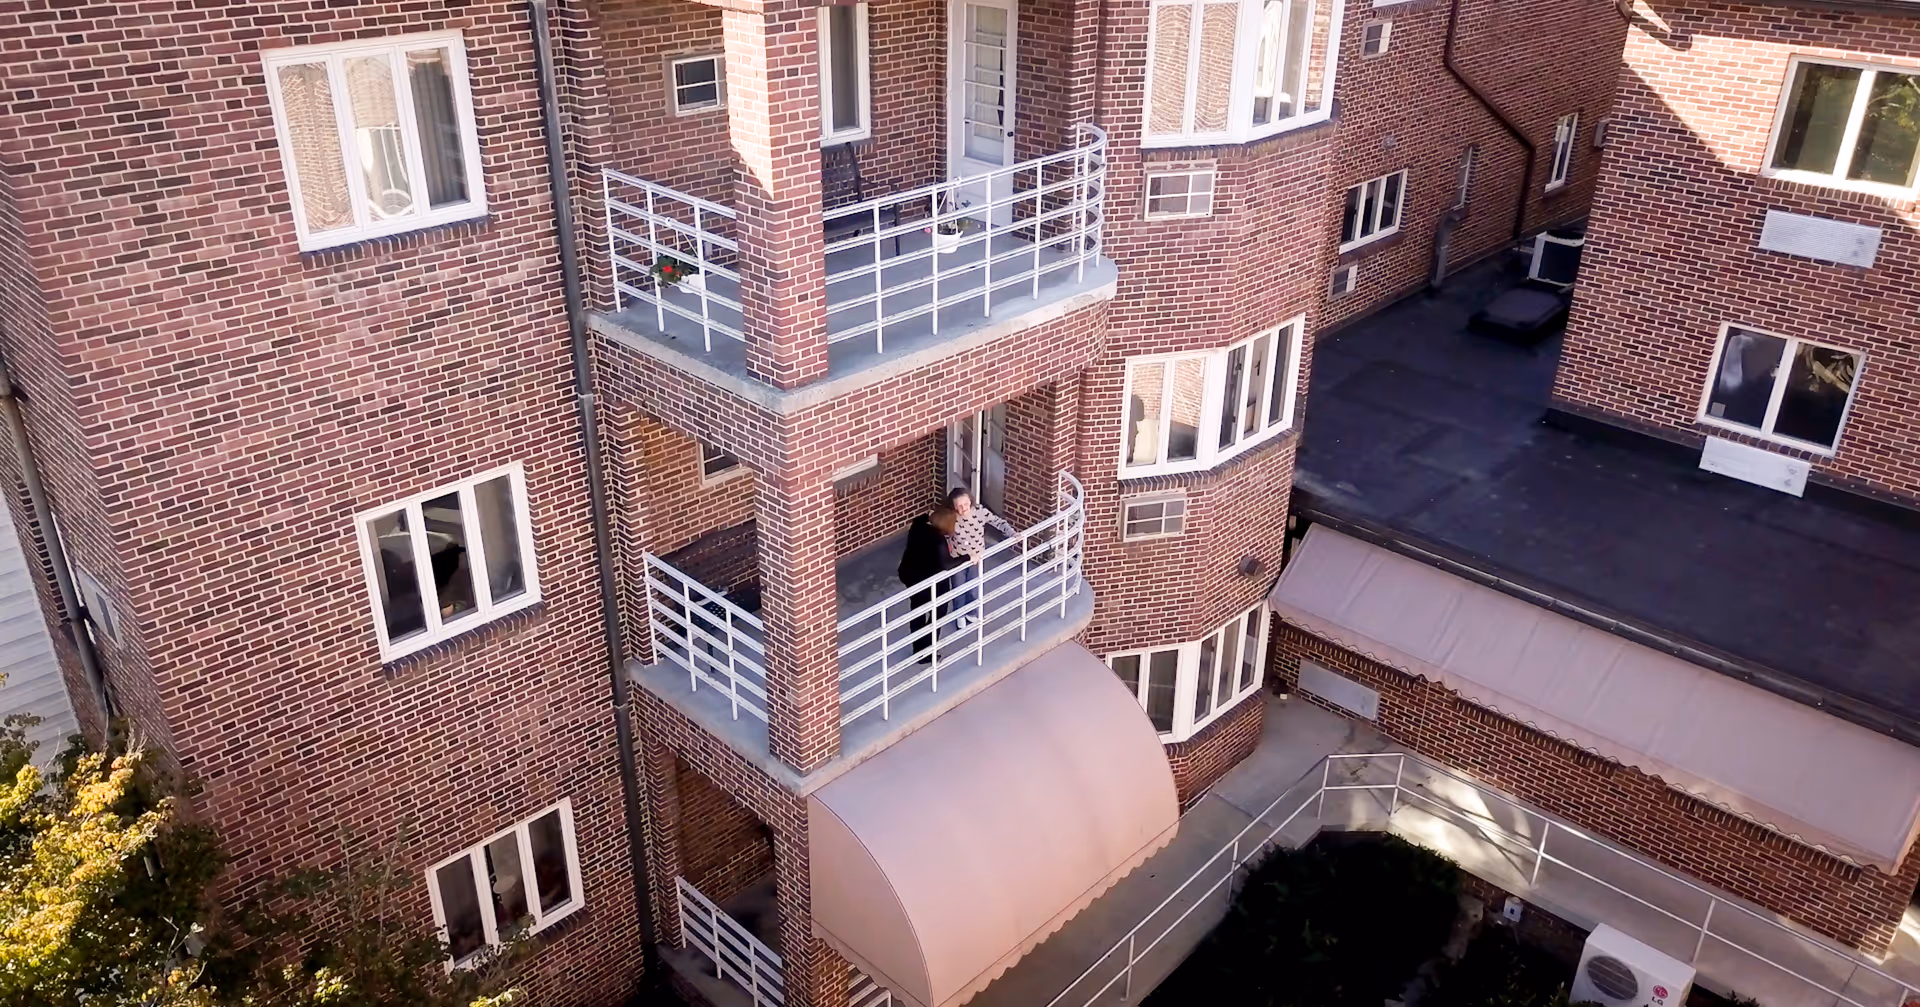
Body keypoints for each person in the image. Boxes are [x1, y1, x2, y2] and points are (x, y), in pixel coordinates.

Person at [898, 506, 964, 664]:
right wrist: (968, 556)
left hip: (910, 574)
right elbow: (947, 563)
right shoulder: (938, 539)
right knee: (937, 614)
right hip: (930, 580)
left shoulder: (919, 523)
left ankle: (918, 650)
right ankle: (927, 652)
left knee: (917, 611)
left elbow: (925, 516)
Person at [945, 487, 1016, 630]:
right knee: (958, 588)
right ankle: (959, 614)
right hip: (958, 560)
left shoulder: (980, 512)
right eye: (958, 506)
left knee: (973, 587)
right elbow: (944, 537)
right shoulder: (951, 519)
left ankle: (971, 612)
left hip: (976, 558)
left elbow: (998, 522)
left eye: (965, 504)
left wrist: (1012, 533)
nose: (963, 508)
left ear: (970, 501)